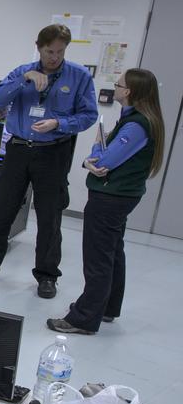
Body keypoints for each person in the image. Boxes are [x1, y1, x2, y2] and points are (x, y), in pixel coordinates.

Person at [0, 24, 98, 299]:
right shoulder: (22, 71)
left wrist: (59, 123)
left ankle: (47, 276)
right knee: (2, 210)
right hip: (18, 149)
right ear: (38, 47)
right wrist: (24, 79)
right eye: (50, 51)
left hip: (53, 151)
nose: (55, 57)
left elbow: (88, 115)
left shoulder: (79, 76)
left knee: (50, 216)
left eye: (60, 52)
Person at [49, 68, 165, 335]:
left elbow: (104, 160)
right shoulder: (137, 119)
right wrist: (95, 155)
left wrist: (94, 158)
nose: (115, 88)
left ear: (130, 91)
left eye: (118, 84)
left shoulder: (136, 124)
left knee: (98, 257)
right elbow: (102, 151)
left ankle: (83, 318)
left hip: (110, 198)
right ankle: (107, 307)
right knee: (113, 252)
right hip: (120, 196)